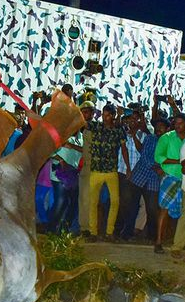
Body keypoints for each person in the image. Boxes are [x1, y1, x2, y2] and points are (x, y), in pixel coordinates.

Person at [87, 103, 129, 240]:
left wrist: (128, 167)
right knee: (93, 202)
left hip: (111, 170)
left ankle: (109, 232)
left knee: (115, 201)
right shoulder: (96, 126)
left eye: (108, 115)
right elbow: (82, 122)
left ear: (113, 116)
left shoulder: (119, 130)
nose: (105, 118)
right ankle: (93, 232)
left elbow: (124, 149)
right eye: (104, 115)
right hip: (96, 170)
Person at [124, 115, 168, 244]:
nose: (159, 129)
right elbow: (145, 155)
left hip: (152, 180)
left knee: (152, 210)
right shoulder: (150, 138)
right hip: (140, 176)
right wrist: (159, 167)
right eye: (157, 126)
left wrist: (161, 166)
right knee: (132, 206)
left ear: (167, 129)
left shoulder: (168, 142)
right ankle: (127, 233)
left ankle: (151, 236)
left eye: (162, 127)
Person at [154, 113, 185, 253]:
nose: (177, 126)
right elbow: (158, 157)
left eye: (180, 123)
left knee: (184, 212)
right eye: (175, 123)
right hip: (170, 177)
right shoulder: (167, 137)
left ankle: (179, 242)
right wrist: (179, 162)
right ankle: (158, 241)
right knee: (164, 210)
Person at [115, 110, 145, 240]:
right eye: (130, 119)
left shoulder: (143, 135)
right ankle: (120, 229)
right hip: (123, 171)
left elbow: (142, 151)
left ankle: (127, 232)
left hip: (137, 174)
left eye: (135, 119)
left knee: (134, 203)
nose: (132, 121)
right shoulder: (122, 134)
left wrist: (134, 136)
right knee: (124, 202)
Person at [49, 126, 83, 233]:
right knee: (61, 202)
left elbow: (85, 150)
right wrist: (60, 160)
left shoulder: (81, 137)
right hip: (59, 173)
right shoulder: (61, 134)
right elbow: (49, 151)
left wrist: (71, 146)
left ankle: (64, 229)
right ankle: (52, 229)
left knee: (73, 203)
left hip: (72, 173)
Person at [77, 101, 95, 235]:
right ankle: (81, 226)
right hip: (75, 168)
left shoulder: (94, 129)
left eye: (88, 112)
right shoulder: (76, 128)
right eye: (83, 112)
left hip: (89, 167)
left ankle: (87, 228)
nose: (85, 114)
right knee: (81, 199)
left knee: (87, 198)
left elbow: (87, 150)